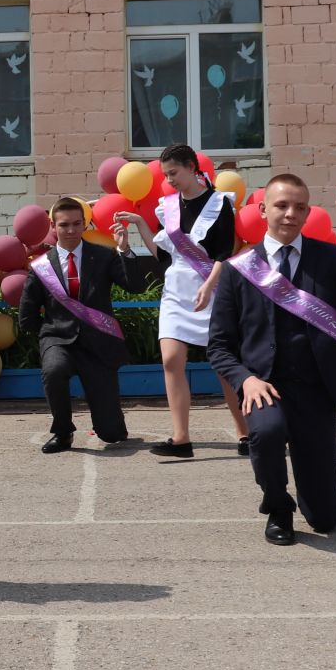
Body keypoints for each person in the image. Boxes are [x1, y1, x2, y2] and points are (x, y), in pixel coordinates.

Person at [207, 174, 336, 545]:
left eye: (300, 207)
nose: (291, 214)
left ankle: (319, 502)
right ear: (262, 210)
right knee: (267, 432)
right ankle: (277, 506)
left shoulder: (328, 257)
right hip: (265, 387)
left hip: (316, 390)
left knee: (326, 519)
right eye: (281, 205)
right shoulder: (237, 270)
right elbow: (219, 345)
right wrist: (246, 380)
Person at [113, 144, 249, 460]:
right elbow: (163, 254)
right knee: (171, 360)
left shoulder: (219, 204)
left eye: (174, 173)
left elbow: (223, 253)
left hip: (212, 289)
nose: (169, 180)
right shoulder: (168, 207)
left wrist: (210, 285)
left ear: (191, 167)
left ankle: (245, 434)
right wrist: (140, 224)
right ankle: (181, 438)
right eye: (166, 175)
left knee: (223, 366)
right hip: (176, 290)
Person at [19, 197, 152, 454]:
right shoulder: (41, 266)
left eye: (77, 224)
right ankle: (62, 432)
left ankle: (110, 424)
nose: (70, 230)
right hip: (58, 339)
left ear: (85, 224)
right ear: (53, 226)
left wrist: (125, 250)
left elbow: (135, 286)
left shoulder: (103, 256)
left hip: (98, 342)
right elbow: (27, 313)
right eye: (64, 224)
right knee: (54, 371)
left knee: (112, 435)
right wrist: (47, 339)